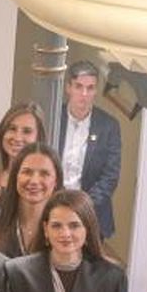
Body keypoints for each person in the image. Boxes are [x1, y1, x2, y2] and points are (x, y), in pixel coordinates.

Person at [56, 60, 122, 239]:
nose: (84, 94)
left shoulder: (108, 126)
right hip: (52, 204)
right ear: (68, 87)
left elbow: (110, 176)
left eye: (90, 88)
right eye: (79, 86)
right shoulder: (53, 117)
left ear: (96, 91)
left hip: (91, 213)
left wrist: (83, 205)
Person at [0, 142, 62, 258]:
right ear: (15, 176)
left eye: (44, 173)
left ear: (56, 181)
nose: (34, 181)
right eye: (27, 172)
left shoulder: (66, 229)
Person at [0, 101, 47, 201]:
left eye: (27, 131)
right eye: (12, 129)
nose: (17, 138)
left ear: (38, 137)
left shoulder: (45, 183)